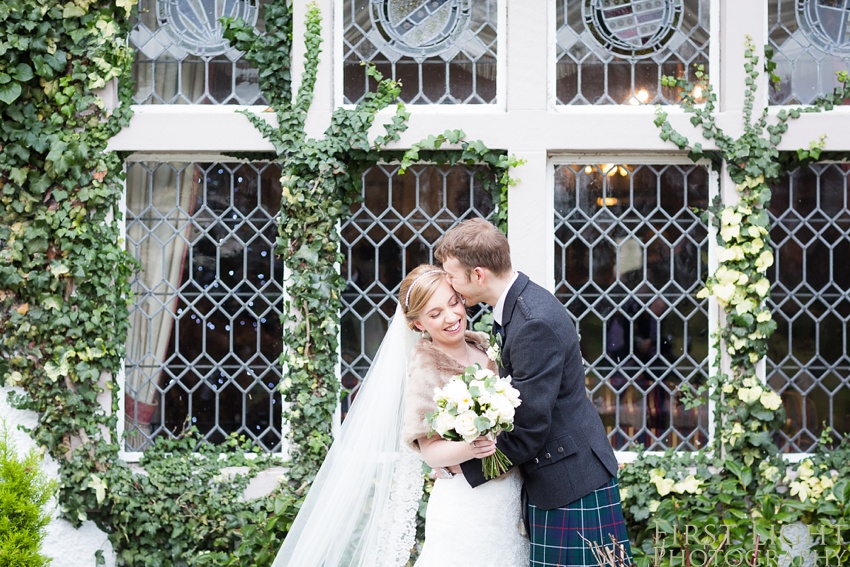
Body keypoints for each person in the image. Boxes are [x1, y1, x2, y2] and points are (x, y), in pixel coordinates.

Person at [272, 264, 528, 566]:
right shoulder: (427, 368)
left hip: (509, 502)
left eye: (453, 302)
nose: (451, 317)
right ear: (419, 324)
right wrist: (471, 445)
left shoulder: (486, 346)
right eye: (435, 314)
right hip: (467, 506)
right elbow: (430, 452)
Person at [435, 218, 634, 567]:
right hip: (560, 474)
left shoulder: (532, 323)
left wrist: (461, 468)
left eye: (452, 275)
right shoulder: (518, 307)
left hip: (570, 483)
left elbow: (528, 427)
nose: (448, 284)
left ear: (479, 275)